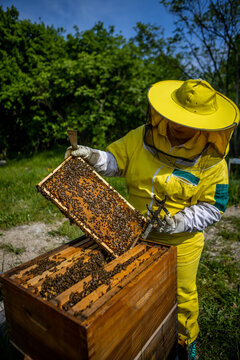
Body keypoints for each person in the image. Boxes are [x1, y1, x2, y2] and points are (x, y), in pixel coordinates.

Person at [65, 79, 239, 360]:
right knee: (129, 291)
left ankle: (185, 342)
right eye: (176, 117)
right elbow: (116, 161)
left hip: (180, 243)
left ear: (206, 125)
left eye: (188, 121)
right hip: (129, 231)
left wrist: (179, 222)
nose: (179, 126)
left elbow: (213, 207)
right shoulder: (141, 136)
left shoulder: (212, 161)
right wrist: (93, 156)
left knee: (181, 296)